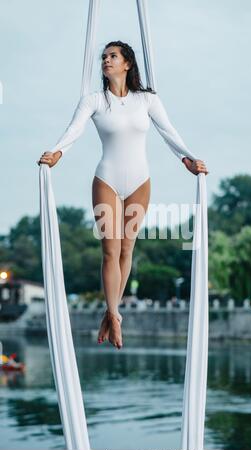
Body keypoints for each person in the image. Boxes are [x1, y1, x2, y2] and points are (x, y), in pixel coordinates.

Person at [37, 40, 209, 350]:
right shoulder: (93, 101)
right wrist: (57, 153)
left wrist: (187, 158)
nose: (106, 61)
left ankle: (111, 313)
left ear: (127, 63)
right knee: (110, 250)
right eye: (103, 57)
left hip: (140, 182)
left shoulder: (147, 100)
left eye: (112, 56)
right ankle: (115, 315)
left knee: (127, 249)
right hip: (107, 180)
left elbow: (169, 131)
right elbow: (73, 131)